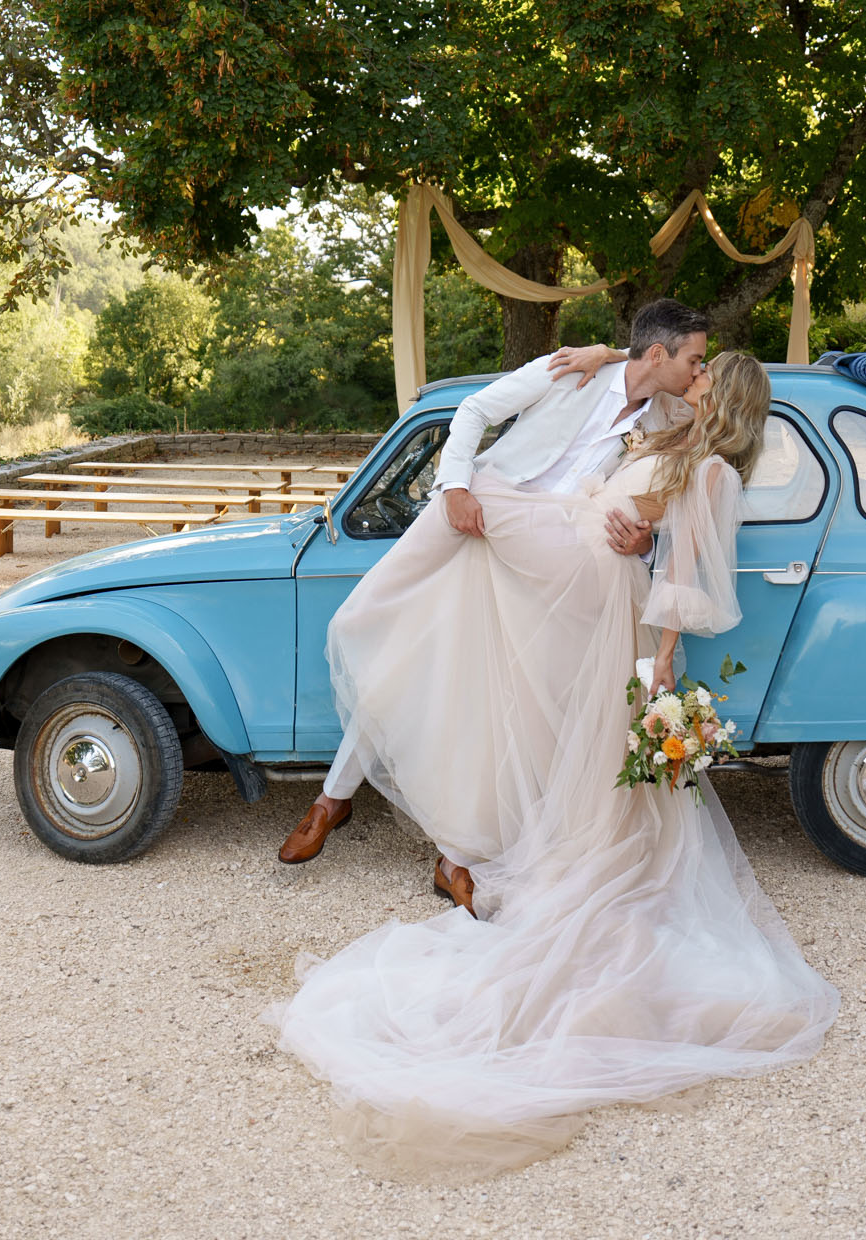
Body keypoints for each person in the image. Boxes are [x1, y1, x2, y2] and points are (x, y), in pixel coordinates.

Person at [266, 347, 839, 1175]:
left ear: (726, 396)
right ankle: (419, 806)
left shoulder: (710, 469)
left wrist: (659, 666)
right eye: (694, 365)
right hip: (579, 590)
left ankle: (375, 786)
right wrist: (609, 360)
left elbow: (684, 572)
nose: (696, 377)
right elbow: (635, 422)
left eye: (708, 374)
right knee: (555, 740)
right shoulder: (668, 433)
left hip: (608, 614)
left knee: (594, 766)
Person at [276, 298, 709, 895]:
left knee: (485, 697)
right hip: (476, 514)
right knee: (372, 629)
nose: (698, 371)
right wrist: (453, 486)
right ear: (657, 353)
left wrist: (642, 545)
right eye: (693, 359)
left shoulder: (664, 421)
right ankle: (336, 798)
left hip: (540, 562)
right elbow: (475, 410)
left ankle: (445, 848)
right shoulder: (571, 368)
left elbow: (658, 508)